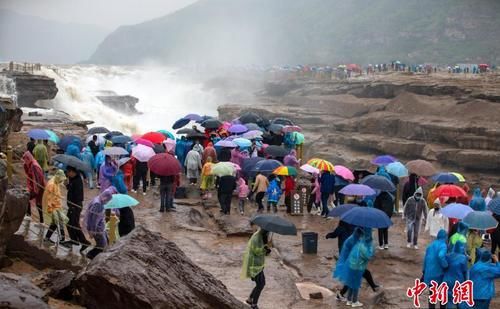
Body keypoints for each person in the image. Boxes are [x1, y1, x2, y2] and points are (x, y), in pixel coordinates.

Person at [241, 226, 271, 309]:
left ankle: (250, 299)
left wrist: (266, 248)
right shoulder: (256, 237)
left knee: (261, 284)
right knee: (261, 284)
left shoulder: (261, 236)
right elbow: (256, 251)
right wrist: (265, 250)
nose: (268, 233)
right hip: (254, 265)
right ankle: (254, 304)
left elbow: (262, 251)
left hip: (258, 264)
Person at [62, 166, 90, 252]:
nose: (67, 174)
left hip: (75, 206)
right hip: (72, 205)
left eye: (68, 172)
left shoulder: (77, 181)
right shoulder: (73, 179)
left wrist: (73, 207)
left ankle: (84, 242)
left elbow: (77, 195)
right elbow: (71, 190)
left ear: (72, 172)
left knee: (74, 224)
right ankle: (74, 240)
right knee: (68, 222)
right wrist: (67, 185)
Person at [84, 186, 117, 259]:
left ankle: (94, 256)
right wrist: (92, 231)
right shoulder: (98, 204)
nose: (108, 202)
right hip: (97, 229)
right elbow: (93, 219)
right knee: (102, 245)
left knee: (105, 242)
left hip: (100, 227)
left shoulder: (98, 199)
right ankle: (90, 256)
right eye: (108, 200)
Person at [343, 232, 374, 307]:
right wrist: (371, 248)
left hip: (351, 266)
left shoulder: (356, 243)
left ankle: (349, 300)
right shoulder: (363, 247)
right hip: (358, 267)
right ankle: (355, 301)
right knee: (356, 284)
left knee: (351, 283)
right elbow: (368, 257)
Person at [423, 229, 449, 309]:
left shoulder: (430, 245)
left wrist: (424, 271)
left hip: (429, 274)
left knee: (432, 296)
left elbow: (425, 260)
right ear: (445, 237)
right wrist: (445, 265)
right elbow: (441, 256)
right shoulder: (443, 245)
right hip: (439, 275)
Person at [43, 170, 68, 245]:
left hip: (57, 206)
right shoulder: (52, 184)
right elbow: (50, 198)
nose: (61, 181)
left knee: (56, 223)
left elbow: (56, 195)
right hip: (53, 207)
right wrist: (51, 208)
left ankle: (48, 238)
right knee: (58, 223)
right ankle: (62, 239)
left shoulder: (55, 182)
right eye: (61, 179)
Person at [442, 241, 468, 309]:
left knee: (449, 300)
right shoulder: (463, 258)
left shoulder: (448, 256)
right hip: (458, 281)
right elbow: (465, 271)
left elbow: (444, 266)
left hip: (447, 280)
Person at [22, 151, 46, 222]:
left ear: (28, 158)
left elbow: (38, 179)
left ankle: (41, 220)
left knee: (38, 204)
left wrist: (35, 190)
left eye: (25, 159)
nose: (24, 161)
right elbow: (29, 176)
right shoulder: (30, 164)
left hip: (39, 186)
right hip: (34, 186)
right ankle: (29, 215)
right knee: (28, 199)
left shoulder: (34, 166)